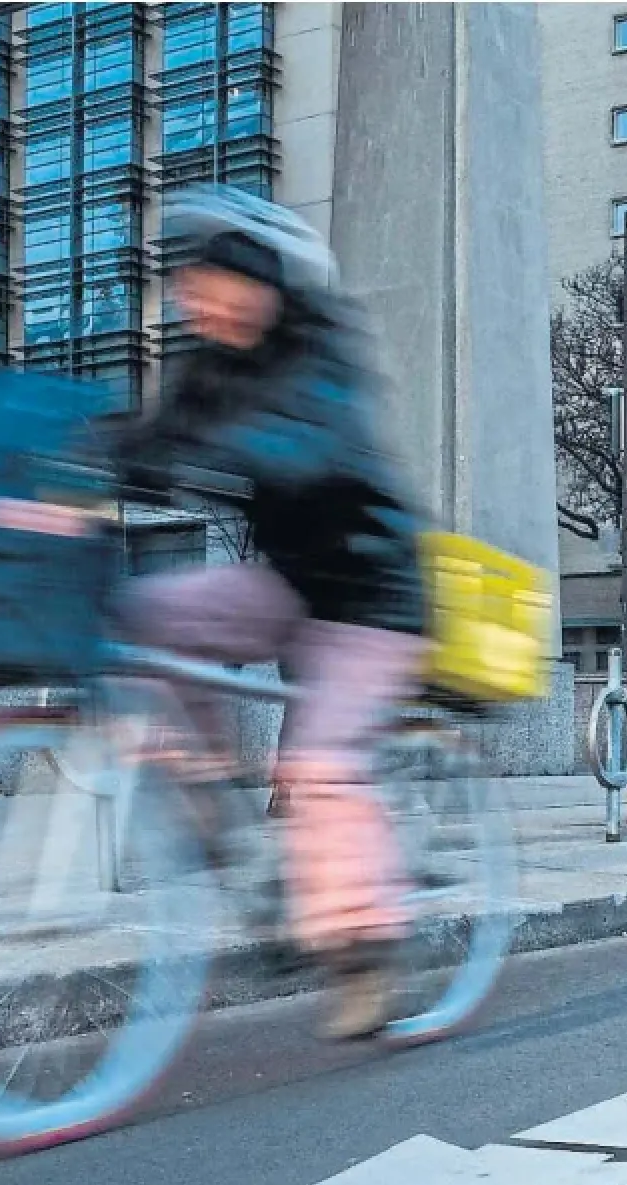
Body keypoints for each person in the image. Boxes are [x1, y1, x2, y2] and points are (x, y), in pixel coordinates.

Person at [112, 187, 427, 1040]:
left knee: (319, 767)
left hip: (371, 600)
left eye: (208, 283)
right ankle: (213, 799)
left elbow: (312, 448)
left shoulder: (321, 352)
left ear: (261, 286)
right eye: (185, 287)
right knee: (145, 612)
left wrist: (210, 448)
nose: (192, 300)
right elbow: (147, 443)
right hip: (286, 588)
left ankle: (365, 957)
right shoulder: (211, 368)